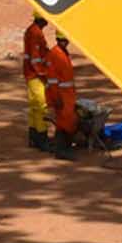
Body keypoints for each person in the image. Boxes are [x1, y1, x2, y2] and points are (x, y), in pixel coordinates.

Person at [44, 33, 80, 157]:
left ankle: (65, 147)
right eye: (61, 40)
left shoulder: (64, 53)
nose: (64, 42)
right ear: (57, 40)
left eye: (65, 40)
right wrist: (56, 98)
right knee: (63, 123)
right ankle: (61, 150)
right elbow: (52, 80)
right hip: (61, 96)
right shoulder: (55, 54)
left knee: (69, 121)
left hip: (68, 96)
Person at [21, 15, 51, 151]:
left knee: (34, 106)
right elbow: (35, 57)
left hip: (30, 74)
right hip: (35, 75)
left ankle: (33, 137)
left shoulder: (32, 30)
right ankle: (42, 139)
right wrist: (43, 73)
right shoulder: (35, 33)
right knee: (41, 106)